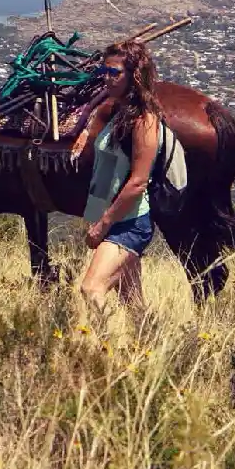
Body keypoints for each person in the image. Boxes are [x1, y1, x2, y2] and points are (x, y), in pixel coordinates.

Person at [80, 39, 185, 314]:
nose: (107, 78)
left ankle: (98, 354)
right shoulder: (119, 112)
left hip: (129, 223)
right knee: (133, 305)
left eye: (115, 73)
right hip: (116, 217)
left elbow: (138, 182)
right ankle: (146, 349)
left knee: (91, 290)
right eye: (104, 71)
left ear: (135, 75)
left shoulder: (144, 121)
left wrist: (103, 223)